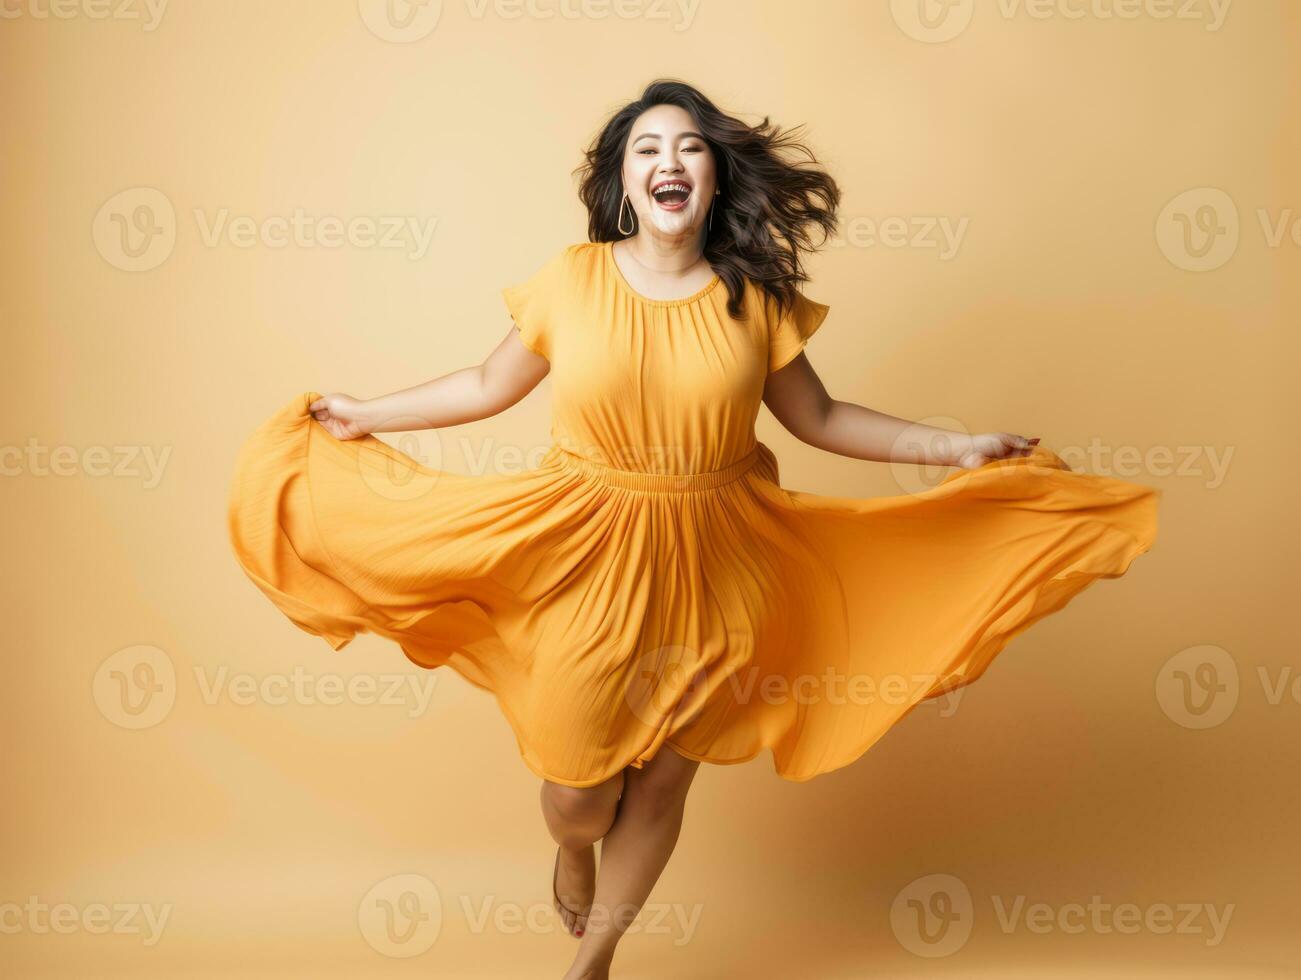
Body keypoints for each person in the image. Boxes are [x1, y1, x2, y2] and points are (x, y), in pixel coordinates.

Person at [227, 79, 1160, 980]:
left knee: (666, 781)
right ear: (624, 180)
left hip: (723, 555)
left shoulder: (754, 297)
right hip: (583, 547)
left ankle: (594, 962)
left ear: (712, 178)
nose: (669, 160)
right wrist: (365, 414)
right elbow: (482, 387)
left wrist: (953, 447)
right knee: (577, 792)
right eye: (647, 148)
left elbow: (822, 420)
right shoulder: (574, 278)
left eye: (689, 147)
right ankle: (573, 850)